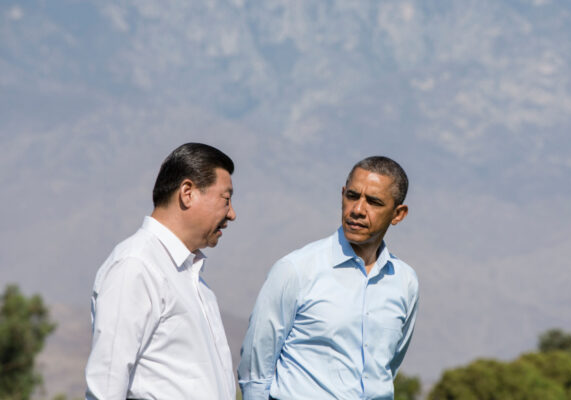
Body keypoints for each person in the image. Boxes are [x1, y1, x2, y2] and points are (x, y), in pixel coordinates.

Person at [238, 156, 419, 400]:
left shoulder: (404, 281)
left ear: (398, 214)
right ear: (342, 194)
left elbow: (388, 366)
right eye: (352, 196)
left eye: (374, 202)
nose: (357, 210)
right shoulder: (295, 270)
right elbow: (255, 371)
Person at [85, 143, 238, 399]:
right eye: (226, 199)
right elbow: (106, 385)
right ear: (187, 192)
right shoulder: (136, 266)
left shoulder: (190, 276)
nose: (232, 214)